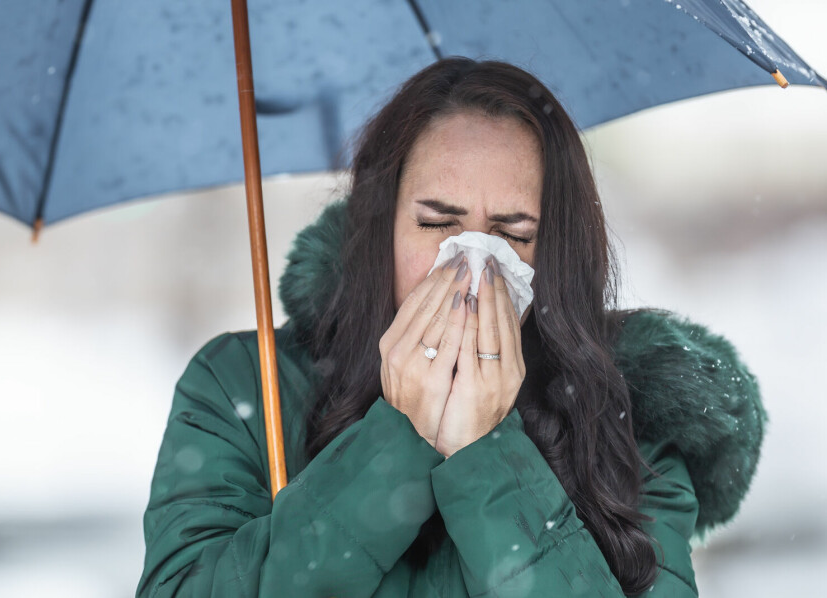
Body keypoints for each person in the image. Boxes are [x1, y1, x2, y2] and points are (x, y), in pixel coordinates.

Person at [136, 58, 766, 597]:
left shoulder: (631, 424)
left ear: (557, 256)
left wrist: (487, 453)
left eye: (512, 234)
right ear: (380, 229)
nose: (472, 266)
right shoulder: (246, 390)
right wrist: (396, 441)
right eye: (438, 223)